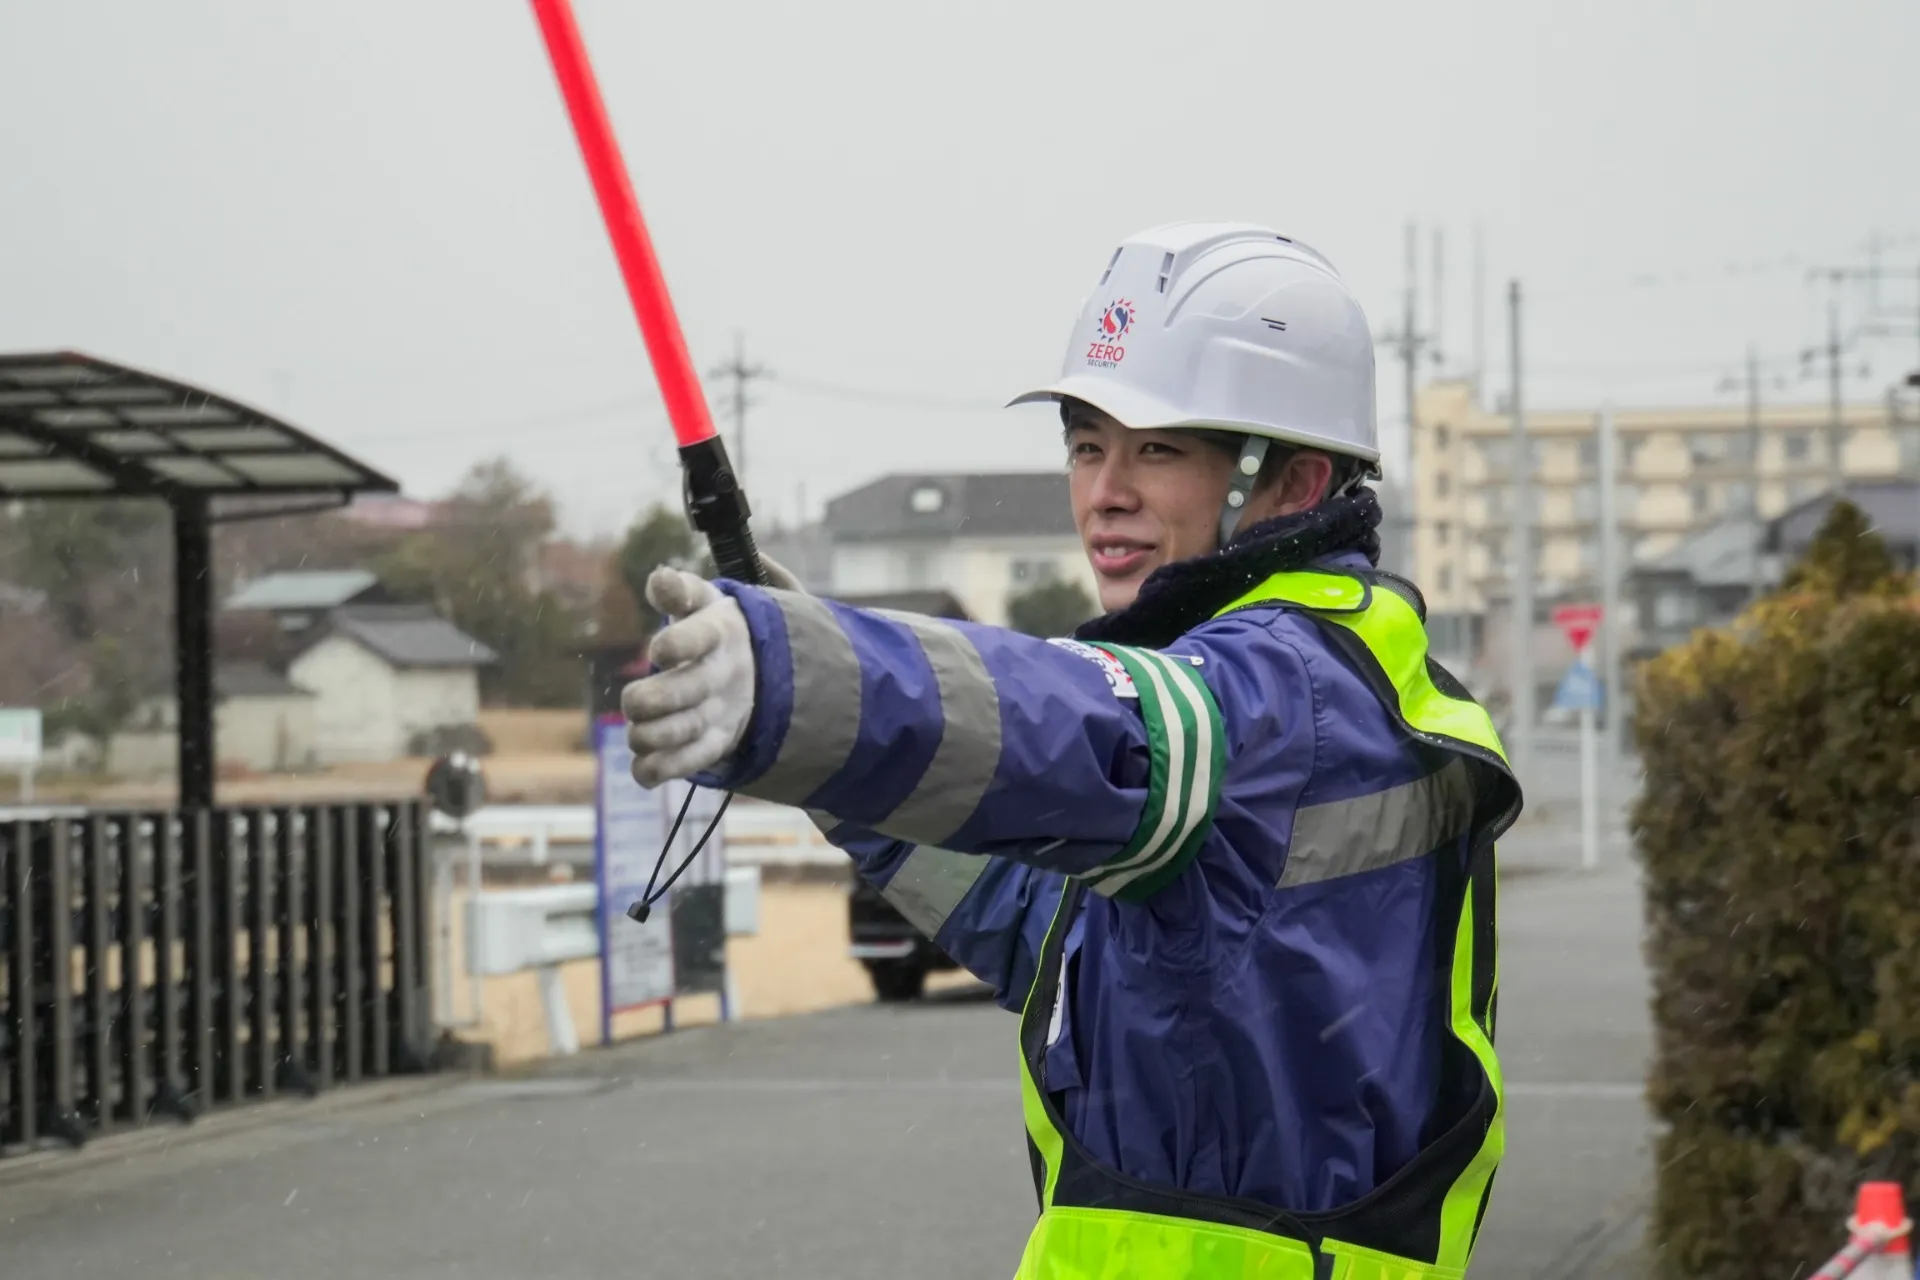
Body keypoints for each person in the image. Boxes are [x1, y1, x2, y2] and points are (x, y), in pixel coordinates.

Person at [622, 222, 1524, 1278]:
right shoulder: (1319, 674)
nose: (1106, 491)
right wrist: (833, 750)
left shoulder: (1286, 690)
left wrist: (802, 678)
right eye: (1088, 445)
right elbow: (1052, 931)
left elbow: (1096, 725)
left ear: (1298, 482)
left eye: (1159, 449)